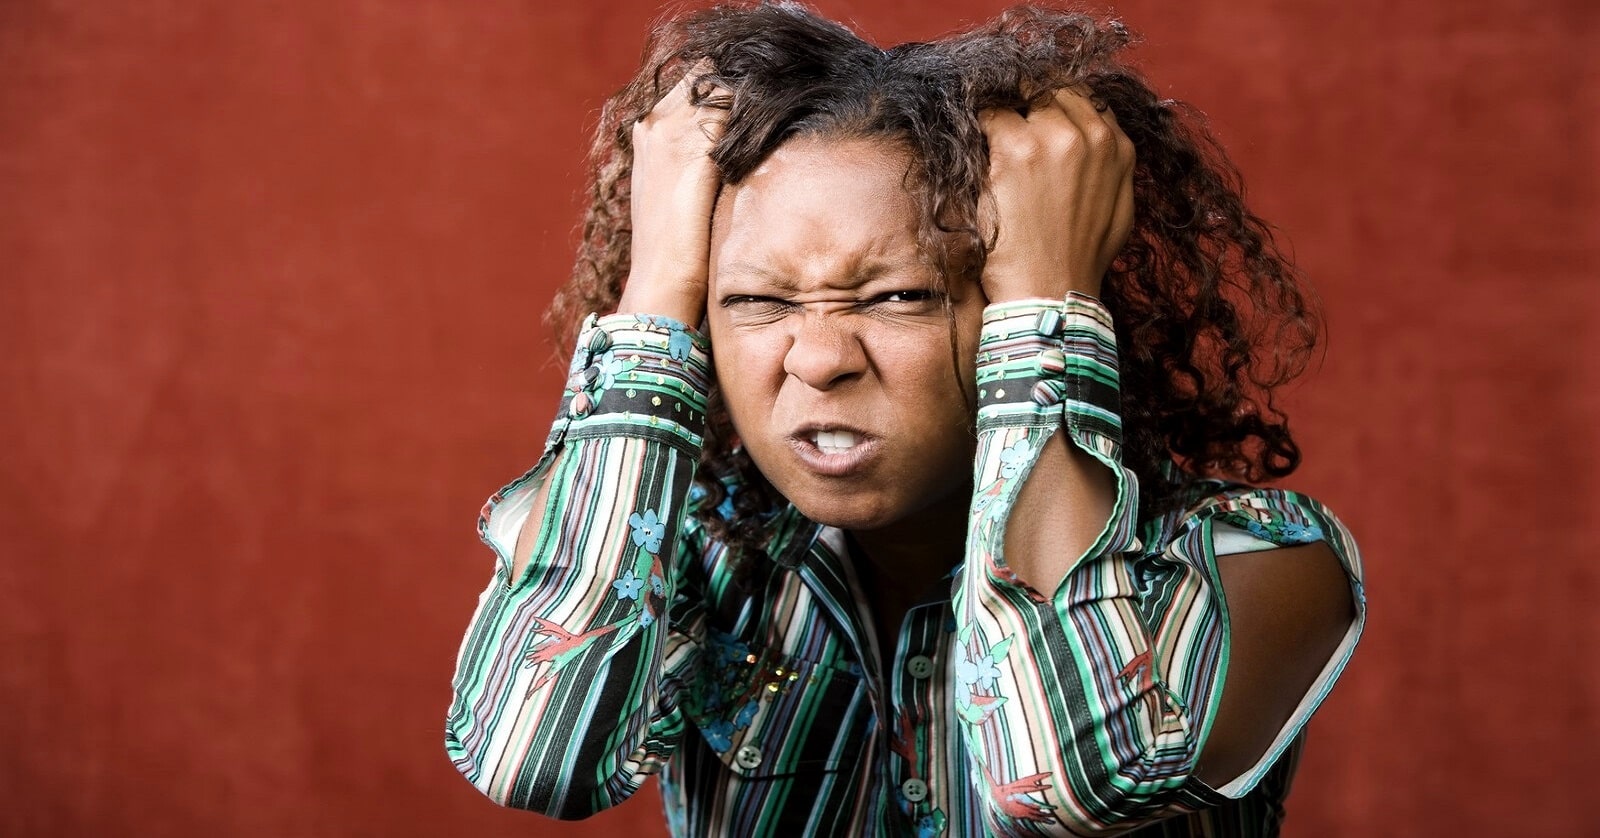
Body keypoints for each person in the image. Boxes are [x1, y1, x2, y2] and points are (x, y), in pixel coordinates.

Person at [445, 2, 1365, 835]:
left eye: (896, 296)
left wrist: (1044, 297)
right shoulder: (695, 557)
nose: (816, 358)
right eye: (757, 302)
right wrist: (654, 296)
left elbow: (1062, 784)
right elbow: (536, 756)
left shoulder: (1260, 565)